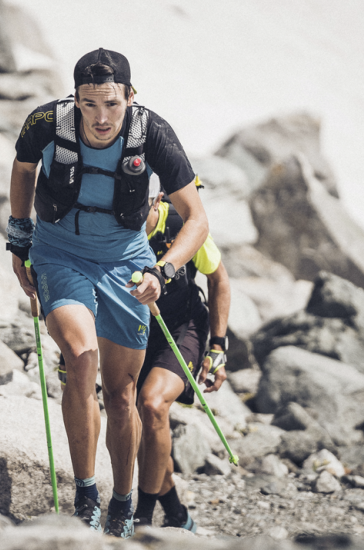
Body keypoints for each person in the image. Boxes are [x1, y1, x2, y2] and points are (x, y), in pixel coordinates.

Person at [7, 48, 209, 538]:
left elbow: (198, 221)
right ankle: (85, 496)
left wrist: (163, 270)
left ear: (130, 97)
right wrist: (19, 238)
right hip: (60, 253)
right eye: (89, 105)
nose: (100, 118)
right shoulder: (46, 122)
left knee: (122, 395)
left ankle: (122, 503)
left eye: (111, 105)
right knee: (79, 356)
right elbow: (23, 169)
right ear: (75, 97)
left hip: (127, 262)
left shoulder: (153, 133)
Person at [133, 186, 230, 531]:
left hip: (182, 326)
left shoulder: (181, 225)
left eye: (136, 203)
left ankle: (141, 517)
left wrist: (217, 348)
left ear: (156, 199)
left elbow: (219, 280)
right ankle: (177, 515)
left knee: (153, 404)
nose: (126, 210)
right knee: (145, 434)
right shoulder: (112, 230)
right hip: (136, 332)